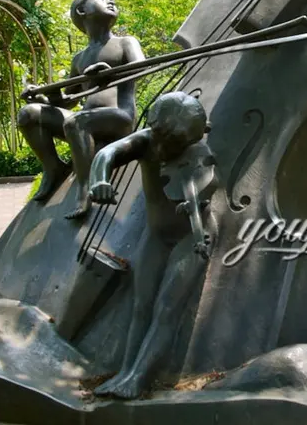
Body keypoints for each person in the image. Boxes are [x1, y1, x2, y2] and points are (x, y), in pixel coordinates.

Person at [88, 91, 218, 400]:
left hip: (193, 236)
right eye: (165, 143)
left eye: (177, 146)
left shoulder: (196, 150)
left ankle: (139, 378)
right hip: (157, 236)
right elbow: (107, 153)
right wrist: (99, 180)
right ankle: (125, 371)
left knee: (166, 309)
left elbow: (206, 184)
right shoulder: (145, 142)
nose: (166, 152)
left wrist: (195, 202)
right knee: (141, 306)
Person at [18, 0, 144, 219]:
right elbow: (66, 101)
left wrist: (109, 72)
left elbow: (141, 67)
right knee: (29, 114)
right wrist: (43, 96)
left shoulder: (125, 42)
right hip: (84, 120)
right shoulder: (80, 58)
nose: (111, 2)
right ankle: (53, 167)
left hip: (119, 116)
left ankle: (85, 189)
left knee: (77, 123)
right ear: (82, 10)